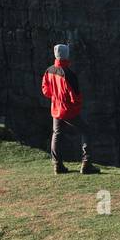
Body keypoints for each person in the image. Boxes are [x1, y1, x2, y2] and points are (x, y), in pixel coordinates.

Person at [40, 43, 96, 174]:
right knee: (87, 131)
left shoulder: (49, 71)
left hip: (56, 108)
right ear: (66, 55)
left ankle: (57, 165)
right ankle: (86, 164)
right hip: (68, 110)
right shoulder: (69, 74)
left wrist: (56, 97)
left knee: (57, 134)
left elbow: (45, 91)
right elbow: (75, 97)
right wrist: (76, 107)